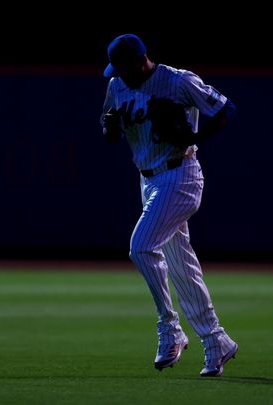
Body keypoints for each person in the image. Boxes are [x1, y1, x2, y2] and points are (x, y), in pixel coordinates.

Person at [99, 33, 238, 377]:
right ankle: (216, 341)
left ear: (140, 60)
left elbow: (225, 109)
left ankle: (170, 328)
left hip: (181, 174)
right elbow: (110, 131)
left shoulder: (177, 80)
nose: (118, 74)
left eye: (123, 67)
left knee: (141, 247)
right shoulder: (117, 84)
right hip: (147, 179)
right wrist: (110, 127)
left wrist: (193, 137)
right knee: (181, 266)